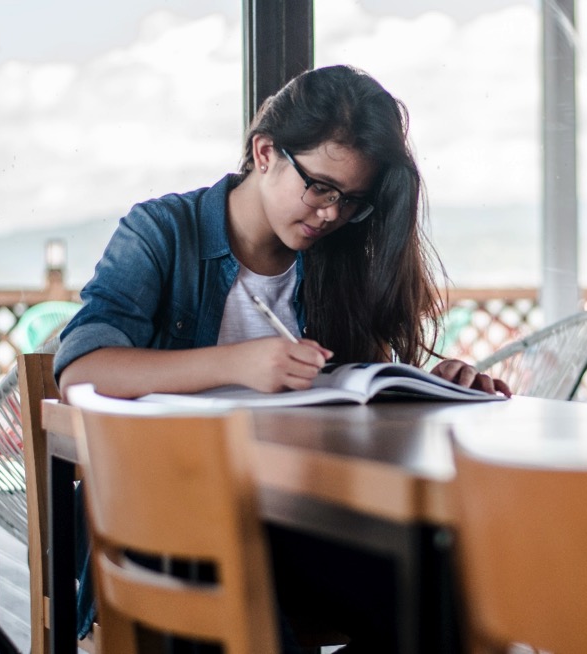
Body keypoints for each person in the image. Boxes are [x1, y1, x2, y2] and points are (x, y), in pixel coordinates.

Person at [55, 64, 510, 652]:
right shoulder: (163, 232)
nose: (330, 214)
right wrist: (236, 365)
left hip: (297, 517)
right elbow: (81, 371)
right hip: (166, 515)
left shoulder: (336, 260)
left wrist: (427, 385)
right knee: (228, 584)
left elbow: (350, 394)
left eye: (352, 201)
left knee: (447, 589)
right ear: (265, 151)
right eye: (320, 186)